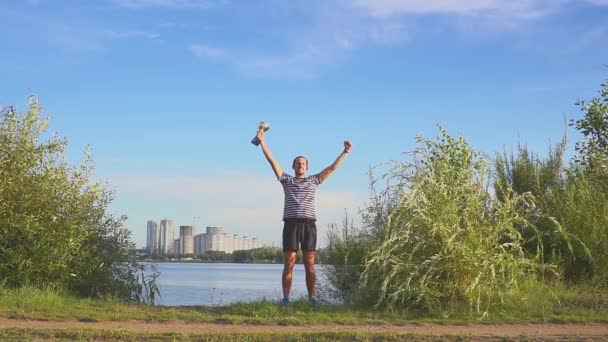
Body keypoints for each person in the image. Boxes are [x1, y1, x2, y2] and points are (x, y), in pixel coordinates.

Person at [255, 129, 352, 307]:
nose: (300, 165)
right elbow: (272, 161)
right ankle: (286, 299)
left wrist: (345, 152)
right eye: (297, 163)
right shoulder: (286, 180)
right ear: (293, 167)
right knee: (289, 263)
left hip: (308, 224)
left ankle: (312, 298)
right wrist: (262, 142)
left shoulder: (314, 180)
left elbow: (332, 168)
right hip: (291, 224)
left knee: (310, 264)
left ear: (307, 167)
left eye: (303, 163)